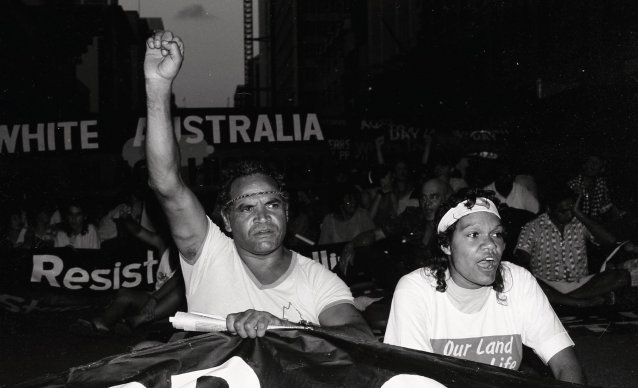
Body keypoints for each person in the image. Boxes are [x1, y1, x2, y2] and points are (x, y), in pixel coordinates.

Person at [144, 30, 373, 340]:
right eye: (247, 207)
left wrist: (281, 325)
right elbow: (166, 183)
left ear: (287, 211)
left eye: (272, 204)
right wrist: (157, 87)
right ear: (226, 219)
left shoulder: (317, 279)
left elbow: (360, 335)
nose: (262, 217)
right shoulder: (208, 253)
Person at [384, 188, 585, 384]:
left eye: (497, 234)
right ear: (446, 245)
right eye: (473, 234)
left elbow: (565, 363)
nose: (491, 245)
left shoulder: (517, 281)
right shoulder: (416, 289)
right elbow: (413, 380)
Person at [514, 185, 629, 307]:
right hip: (549, 285)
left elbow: (610, 241)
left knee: (622, 276)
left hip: (581, 284)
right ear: (549, 209)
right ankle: (578, 303)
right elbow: (522, 259)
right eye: (563, 211)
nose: (570, 215)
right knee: (531, 282)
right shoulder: (533, 227)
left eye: (572, 210)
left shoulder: (579, 222)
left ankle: (563, 302)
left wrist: (579, 214)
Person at [73, 214, 184, 336]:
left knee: (179, 291)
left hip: (178, 306)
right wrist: (126, 217)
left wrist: (153, 299)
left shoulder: (190, 254)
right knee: (124, 294)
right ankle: (103, 323)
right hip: (156, 299)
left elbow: (177, 279)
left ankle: (136, 320)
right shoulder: (164, 245)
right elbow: (138, 232)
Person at [340, 178, 452, 285]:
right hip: (404, 279)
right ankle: (333, 288)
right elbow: (376, 234)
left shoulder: (454, 226)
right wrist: (351, 244)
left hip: (437, 282)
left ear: (446, 198)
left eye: (433, 197)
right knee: (362, 252)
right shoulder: (412, 216)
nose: (427, 203)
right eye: (423, 198)